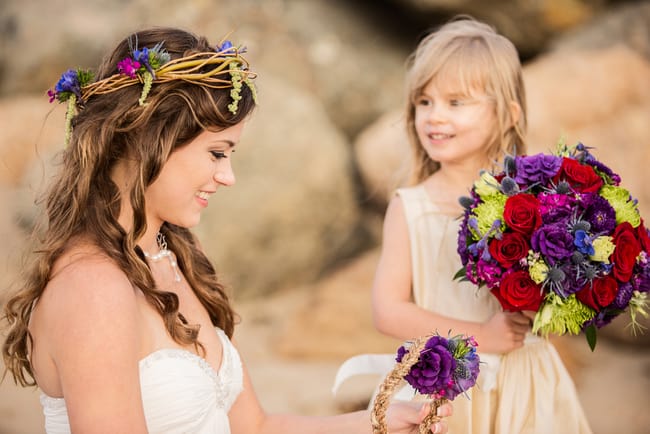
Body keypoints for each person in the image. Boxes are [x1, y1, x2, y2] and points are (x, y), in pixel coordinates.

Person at [1, 27, 452, 434]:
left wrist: (377, 424)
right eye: (217, 152)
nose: (228, 176)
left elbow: (254, 426)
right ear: (147, 140)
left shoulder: (174, 256)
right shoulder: (92, 288)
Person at [367, 16, 592, 434]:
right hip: (449, 386)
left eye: (456, 102)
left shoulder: (537, 201)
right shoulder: (411, 206)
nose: (434, 117)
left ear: (507, 114)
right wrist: (479, 337)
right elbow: (388, 311)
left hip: (526, 380)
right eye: (424, 102)